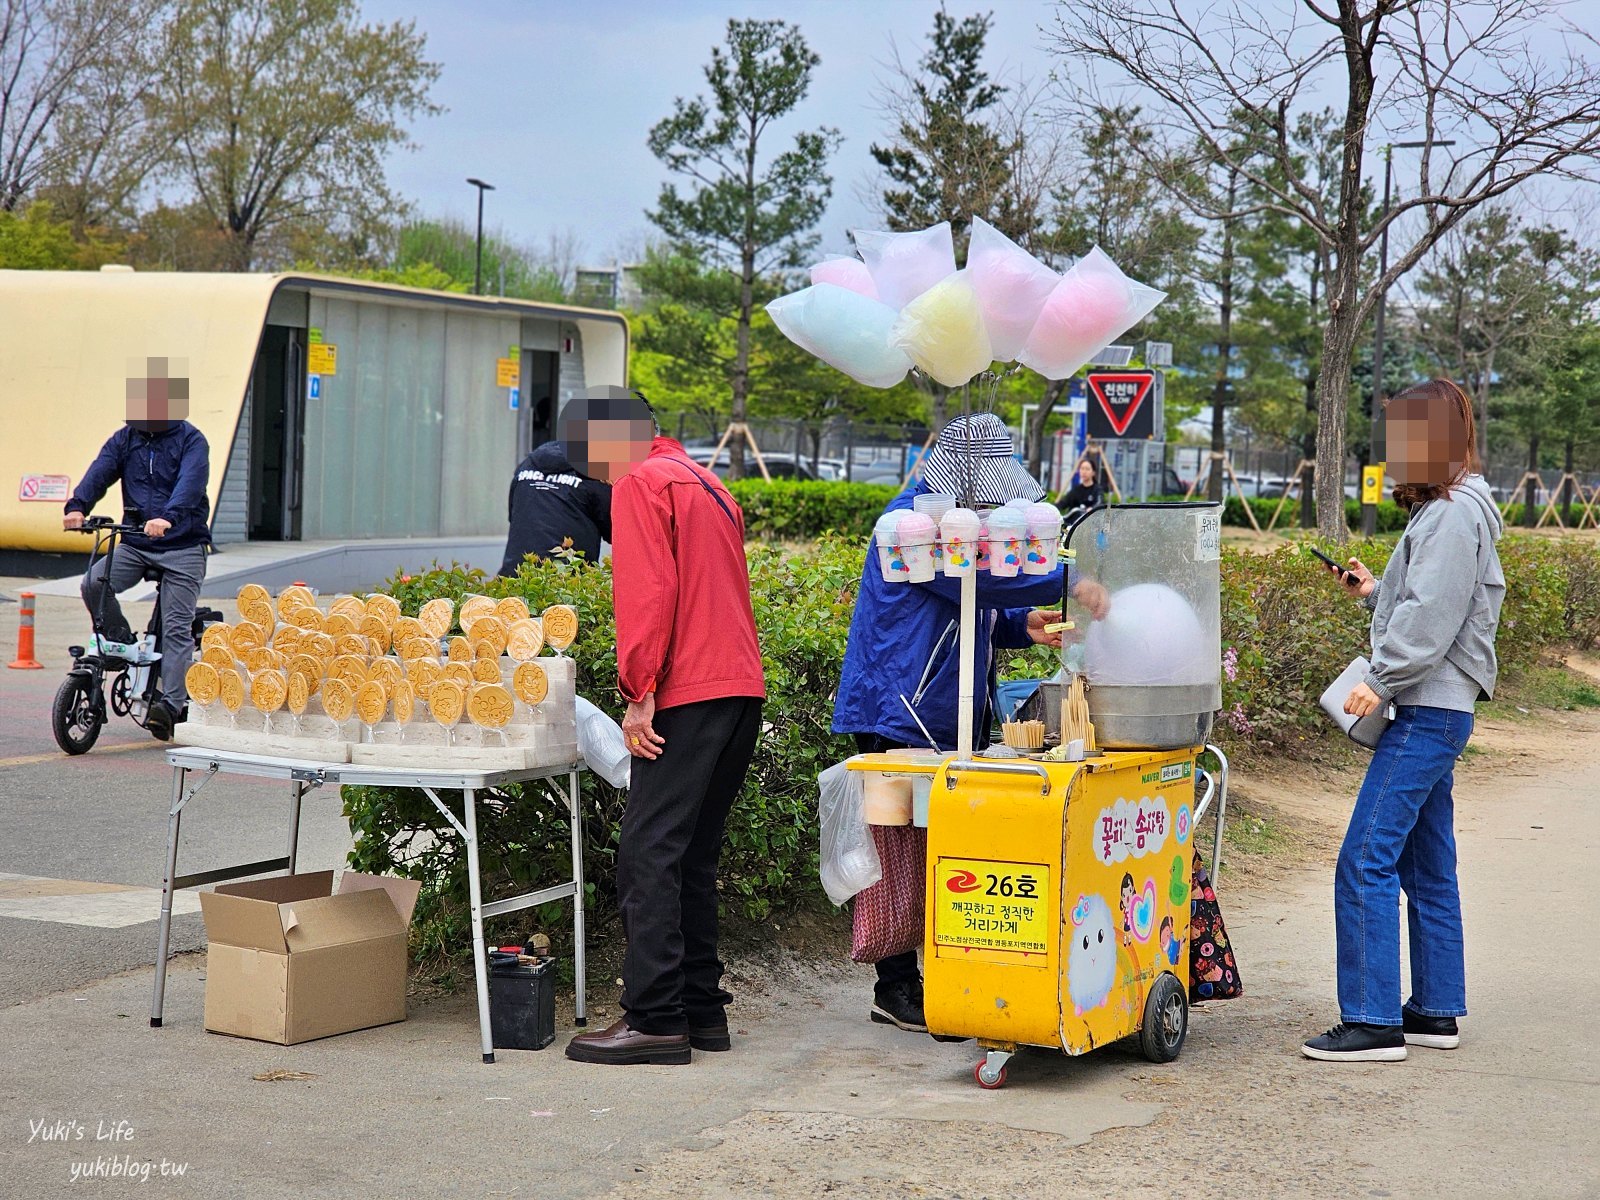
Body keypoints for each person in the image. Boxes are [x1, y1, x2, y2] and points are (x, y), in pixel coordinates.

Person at [832, 413, 1110, 1033]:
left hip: (942, 708)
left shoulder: (958, 524)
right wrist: (1072, 577)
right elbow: (973, 583)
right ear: (965, 478)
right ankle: (895, 985)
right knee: (897, 851)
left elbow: (977, 602)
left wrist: (1023, 627)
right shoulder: (912, 527)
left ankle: (938, 976)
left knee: (939, 850)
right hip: (900, 706)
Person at [1302, 379, 1504, 1063]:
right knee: (1427, 865)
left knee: (1365, 858)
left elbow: (1431, 616)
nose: (1393, 449)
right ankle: (1434, 1010)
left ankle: (1371, 1020)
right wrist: (1372, 593)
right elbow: (1422, 600)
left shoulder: (1452, 514)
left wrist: (1380, 677)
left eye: (1404, 436)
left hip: (1425, 709)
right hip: (1438, 706)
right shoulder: (1452, 510)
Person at [565, 389, 765, 1067]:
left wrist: (639, 692)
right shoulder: (708, 484)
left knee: (649, 852)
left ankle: (653, 1018)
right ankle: (702, 1013)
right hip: (740, 688)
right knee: (692, 857)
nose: (589, 468)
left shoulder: (643, 484)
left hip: (688, 690)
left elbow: (647, 596)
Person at [62, 360, 210, 741]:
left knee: (177, 628)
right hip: (137, 543)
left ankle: (170, 705)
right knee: (94, 582)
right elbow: (101, 471)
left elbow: (190, 486)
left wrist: (169, 517)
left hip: (181, 545)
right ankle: (123, 643)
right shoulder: (125, 438)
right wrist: (78, 506)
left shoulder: (192, 441)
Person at [498, 415, 613, 576]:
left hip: (516, 576)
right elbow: (617, 530)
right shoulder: (595, 473)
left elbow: (515, 514)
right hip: (566, 584)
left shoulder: (527, 465)